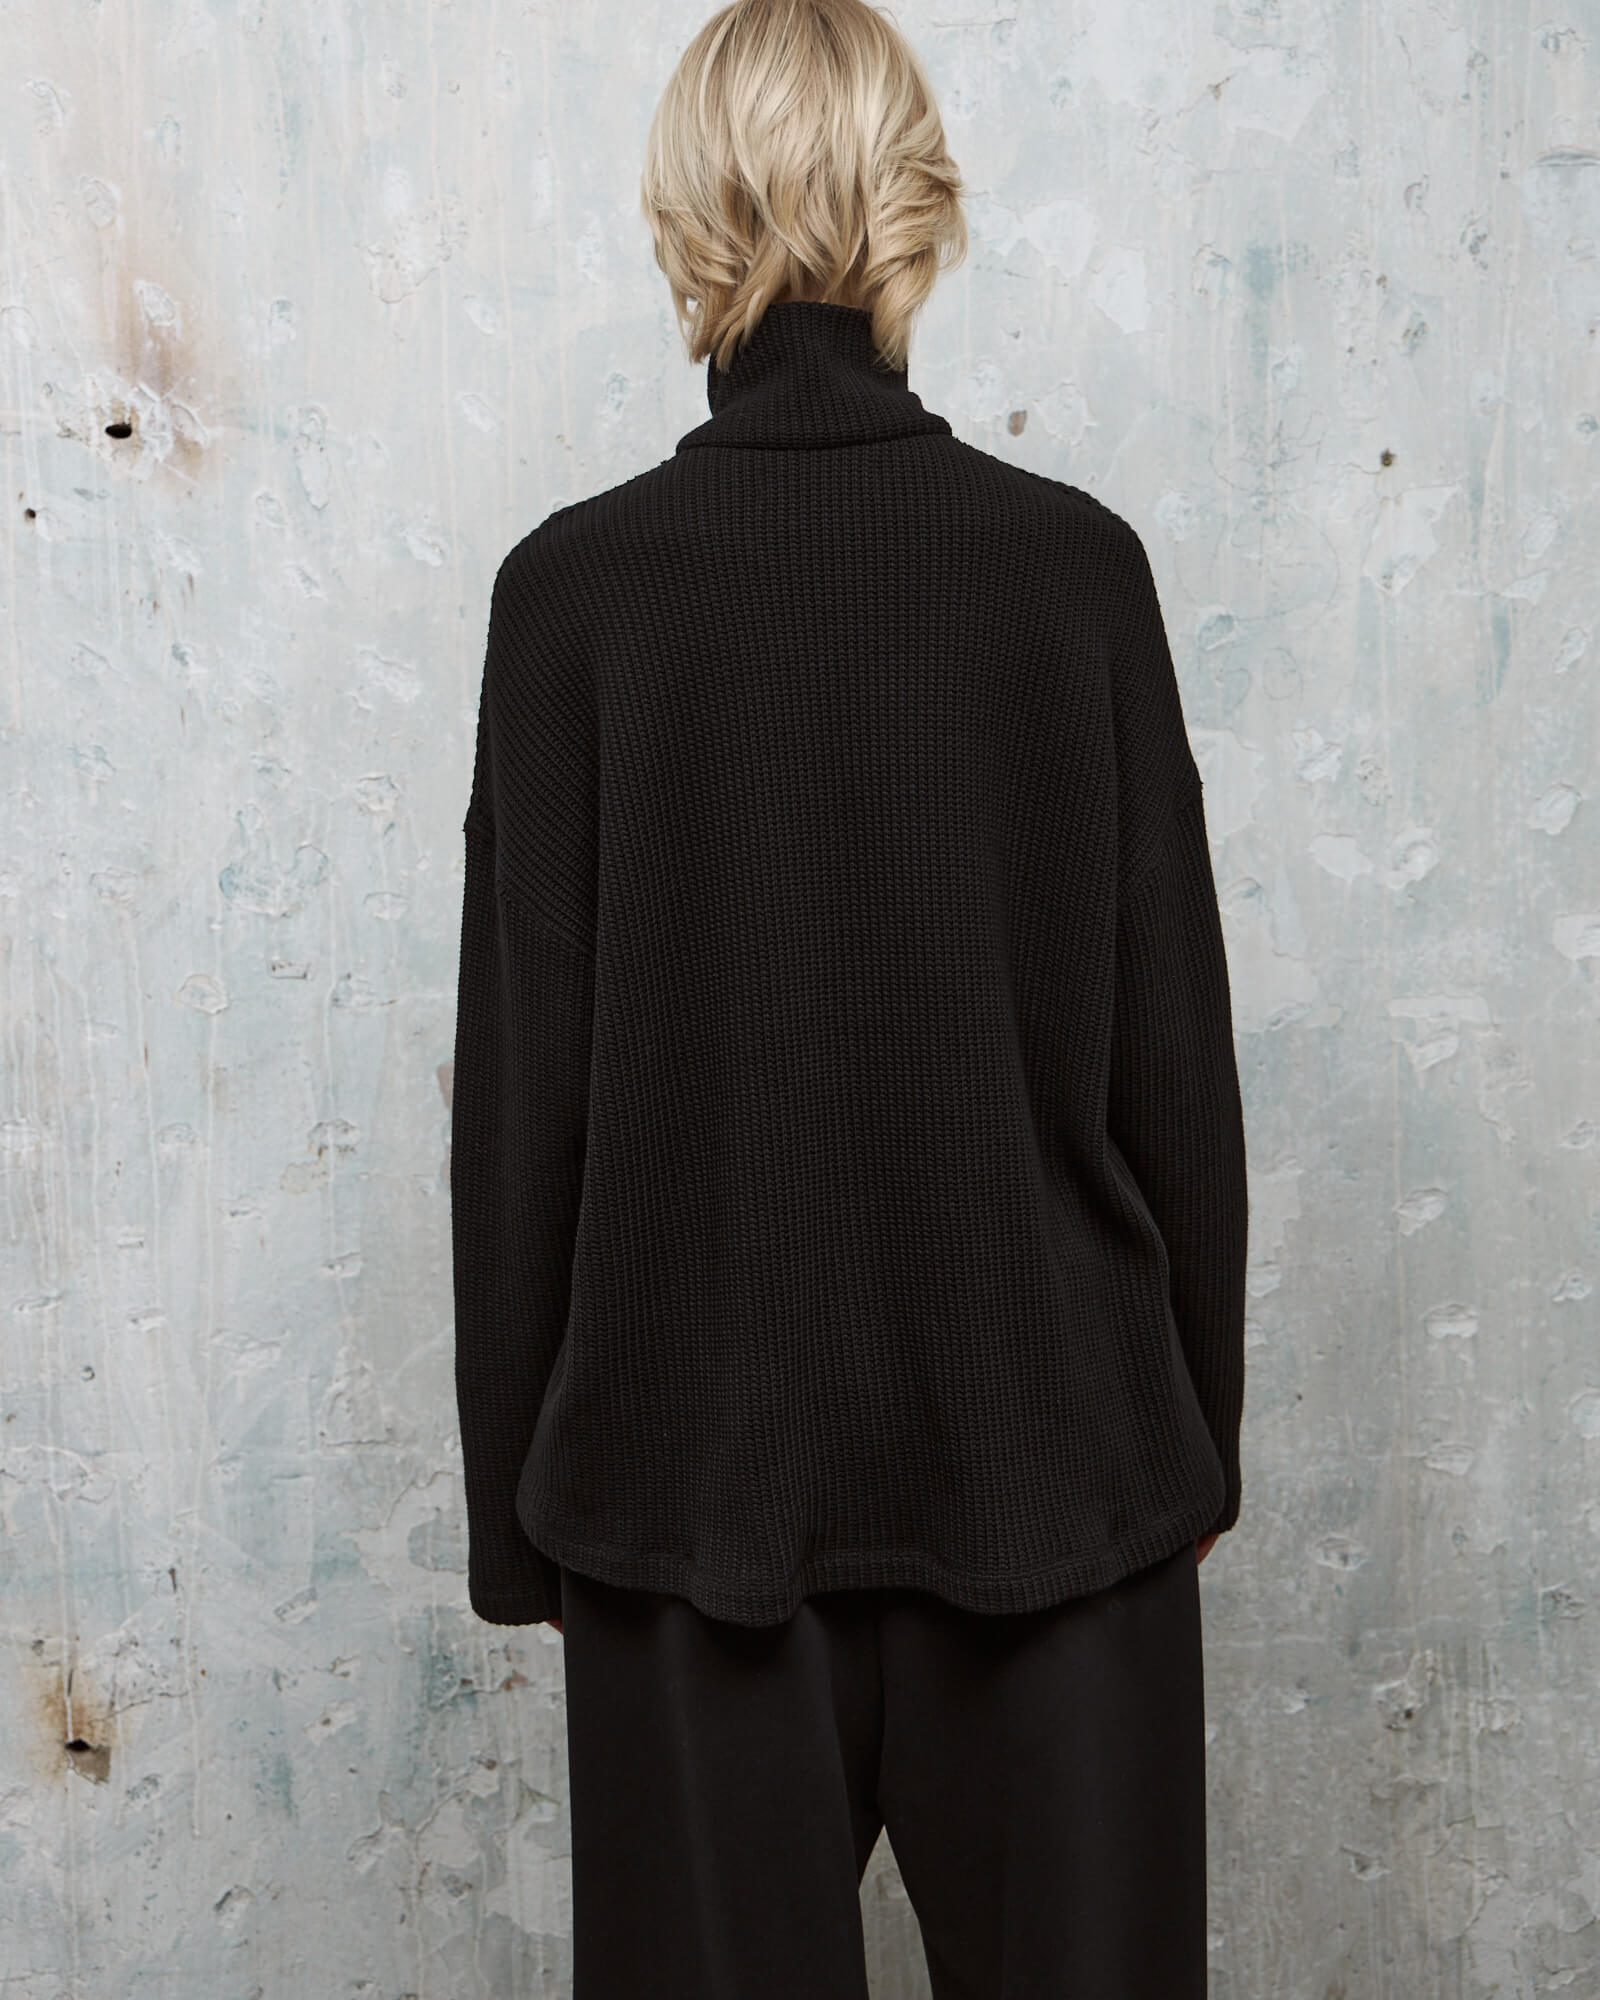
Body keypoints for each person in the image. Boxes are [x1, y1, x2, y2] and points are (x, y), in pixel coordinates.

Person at [449, 0, 1248, 1991]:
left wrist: (517, 1528)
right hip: (1061, 1482)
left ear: (680, 214)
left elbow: (524, 1107)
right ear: (916, 207)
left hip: (685, 1499)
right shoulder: (1073, 574)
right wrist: (1192, 1446)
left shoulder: (575, 598)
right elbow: (1175, 1069)